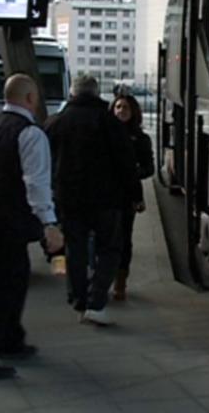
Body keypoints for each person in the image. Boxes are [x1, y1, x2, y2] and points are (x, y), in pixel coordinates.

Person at [0, 74, 63, 380]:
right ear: (31, 98)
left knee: (15, 278)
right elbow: (36, 182)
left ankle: (10, 339)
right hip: (7, 219)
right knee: (2, 288)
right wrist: (50, 223)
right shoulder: (30, 134)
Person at [44, 75, 137, 326]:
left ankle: (78, 299)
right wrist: (134, 195)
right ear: (96, 94)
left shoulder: (56, 123)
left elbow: (45, 163)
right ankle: (96, 301)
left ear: (73, 93)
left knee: (75, 249)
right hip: (107, 200)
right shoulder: (110, 122)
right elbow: (126, 163)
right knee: (109, 249)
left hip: (69, 199)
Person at [109, 94, 154, 301]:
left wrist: (134, 172)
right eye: (117, 107)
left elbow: (149, 168)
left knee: (124, 239)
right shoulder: (103, 135)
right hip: (105, 196)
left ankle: (120, 282)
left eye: (125, 107)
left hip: (127, 196)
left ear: (133, 111)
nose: (120, 111)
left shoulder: (141, 139)